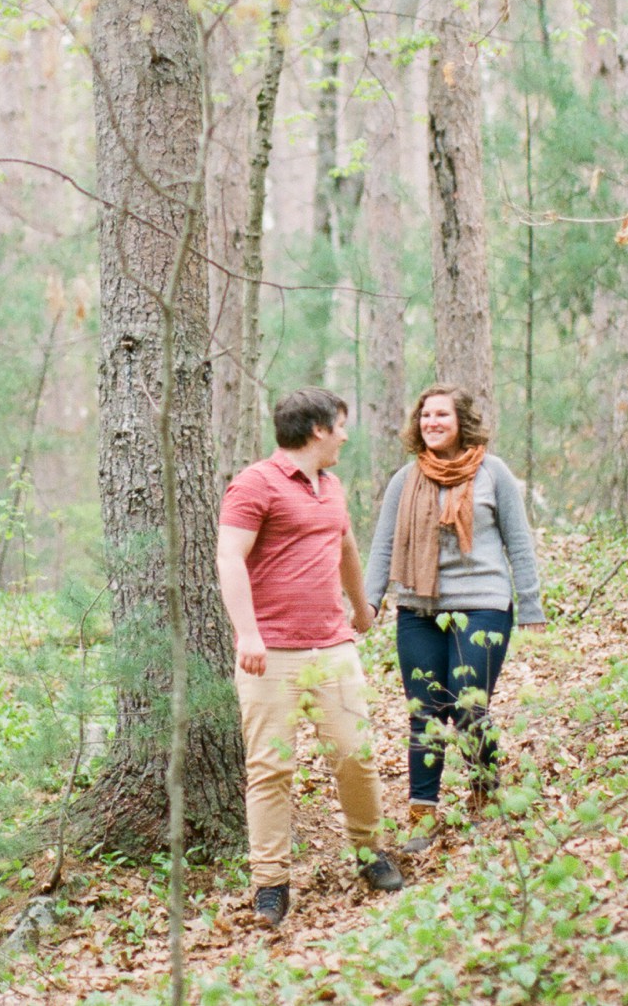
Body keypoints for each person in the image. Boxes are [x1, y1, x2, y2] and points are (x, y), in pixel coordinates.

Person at [217, 387, 405, 929]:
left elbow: (345, 546)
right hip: (269, 654)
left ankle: (370, 854)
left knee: (355, 754)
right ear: (319, 429)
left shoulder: (333, 486)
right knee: (271, 768)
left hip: (333, 648)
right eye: (340, 426)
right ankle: (271, 883)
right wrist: (247, 634)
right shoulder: (254, 484)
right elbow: (230, 557)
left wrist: (363, 610)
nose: (346, 435)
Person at [364, 383, 545, 852]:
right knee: (424, 712)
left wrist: (531, 605)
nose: (432, 423)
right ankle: (422, 815)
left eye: (442, 415)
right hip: (419, 609)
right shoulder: (405, 480)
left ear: (461, 421)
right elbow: (383, 546)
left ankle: (485, 792)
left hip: (483, 604)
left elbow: (518, 543)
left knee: (467, 707)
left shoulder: (493, 473)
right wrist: (369, 601)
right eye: (425, 416)